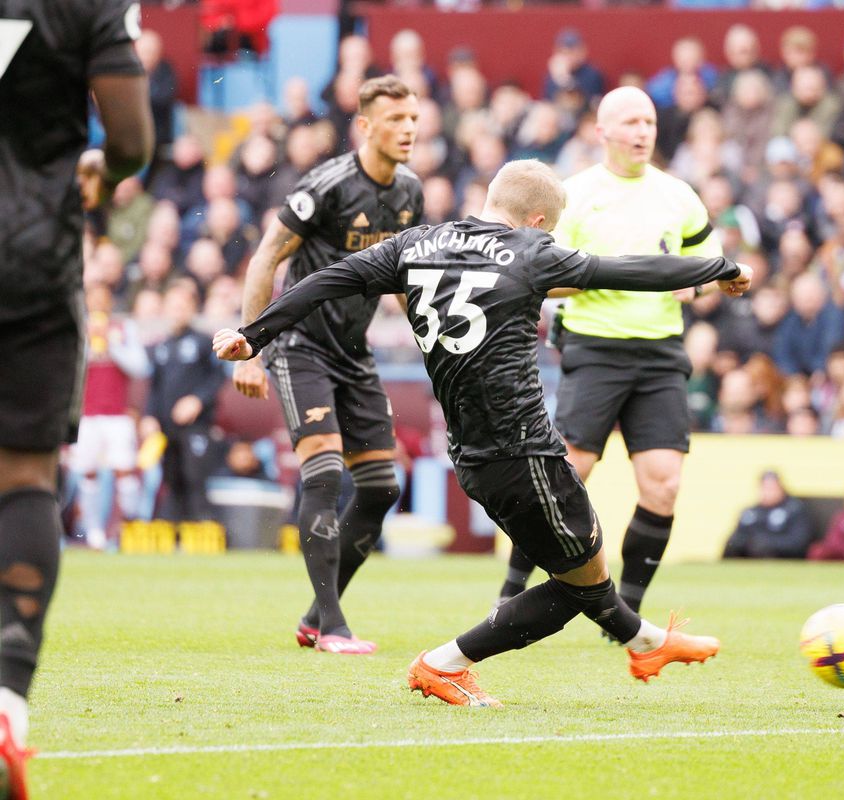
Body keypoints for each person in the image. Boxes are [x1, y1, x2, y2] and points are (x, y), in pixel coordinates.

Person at [214, 159, 751, 707]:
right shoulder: (531, 251)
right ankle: (443, 663)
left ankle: (647, 642)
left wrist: (254, 335)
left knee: (586, 568)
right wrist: (719, 266)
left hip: (471, 453)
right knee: (580, 582)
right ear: (538, 219)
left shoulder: (415, 245)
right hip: (524, 449)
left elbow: (326, 281)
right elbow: (631, 270)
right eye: (550, 229)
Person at [0, 0, 153, 791]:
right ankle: (5, 705)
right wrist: (102, 168)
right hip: (28, 261)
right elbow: (129, 141)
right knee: (25, 478)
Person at [497, 87, 725, 617]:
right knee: (566, 476)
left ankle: (627, 608)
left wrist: (699, 285)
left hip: (660, 353)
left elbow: (709, 262)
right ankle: (511, 588)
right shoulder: (572, 195)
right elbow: (538, 276)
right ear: (602, 132)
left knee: (664, 484)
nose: (643, 132)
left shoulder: (678, 194)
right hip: (594, 349)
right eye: (630, 122)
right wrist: (585, 279)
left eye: (648, 121)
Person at [233, 76, 424, 655]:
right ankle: (333, 628)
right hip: (300, 347)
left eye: (413, 119)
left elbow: (404, 280)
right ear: (365, 126)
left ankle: (318, 615)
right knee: (323, 473)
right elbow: (267, 256)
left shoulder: (411, 191)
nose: (408, 129)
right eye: (395, 120)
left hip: (354, 353)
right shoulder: (327, 185)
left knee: (380, 487)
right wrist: (253, 346)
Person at [71, 283, 151, 550]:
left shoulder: (122, 328)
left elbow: (140, 367)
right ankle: (93, 531)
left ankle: (130, 524)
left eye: (102, 299)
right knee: (88, 472)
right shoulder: (77, 329)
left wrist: (111, 344)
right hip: (88, 414)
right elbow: (70, 368)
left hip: (118, 414)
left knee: (124, 470)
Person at [141, 279, 226, 522]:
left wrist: (197, 401)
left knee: (195, 477)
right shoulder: (161, 347)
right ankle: (176, 537)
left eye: (182, 306)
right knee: (172, 480)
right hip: (167, 428)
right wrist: (149, 416)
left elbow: (217, 378)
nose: (177, 311)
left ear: (192, 309)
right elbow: (154, 387)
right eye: (173, 306)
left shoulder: (202, 342)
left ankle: (203, 532)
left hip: (196, 427)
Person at [722, 472, 816, 560]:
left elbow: (798, 543)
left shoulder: (794, 509)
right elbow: (736, 537)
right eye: (765, 488)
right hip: (748, 557)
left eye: (772, 488)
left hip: (779, 558)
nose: (768, 492)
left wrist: (768, 542)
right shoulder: (750, 512)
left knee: (761, 547)